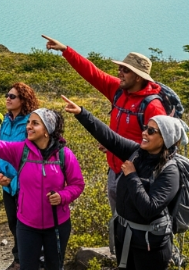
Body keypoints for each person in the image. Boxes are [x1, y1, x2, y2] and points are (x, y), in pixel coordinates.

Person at [0, 104, 85, 270]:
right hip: (27, 226)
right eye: (29, 123)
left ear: (47, 130)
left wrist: (63, 196)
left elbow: (77, 184)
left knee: (54, 266)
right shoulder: (21, 150)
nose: (29, 126)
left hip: (57, 225)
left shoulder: (64, 154)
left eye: (35, 123)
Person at [62, 95, 189, 270]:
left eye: (151, 131)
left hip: (150, 245)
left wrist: (131, 175)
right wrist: (82, 113)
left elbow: (149, 209)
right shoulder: (137, 152)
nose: (144, 133)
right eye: (145, 128)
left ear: (166, 138)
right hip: (127, 237)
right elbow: (110, 137)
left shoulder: (170, 171)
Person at [43, 35, 166, 214]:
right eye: (121, 68)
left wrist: (132, 164)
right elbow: (93, 73)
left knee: (133, 221)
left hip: (136, 174)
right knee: (116, 221)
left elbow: (161, 146)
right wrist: (65, 50)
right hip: (115, 170)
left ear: (139, 77)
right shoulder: (119, 90)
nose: (119, 72)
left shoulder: (153, 106)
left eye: (126, 70)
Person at [0, 82, 40, 270]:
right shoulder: (6, 120)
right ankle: (19, 260)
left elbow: (34, 155)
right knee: (13, 223)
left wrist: (16, 178)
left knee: (26, 226)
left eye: (12, 96)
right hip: (6, 183)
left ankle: (32, 261)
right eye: (7, 95)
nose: (8, 98)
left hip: (23, 185)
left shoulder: (30, 122)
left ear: (23, 100)